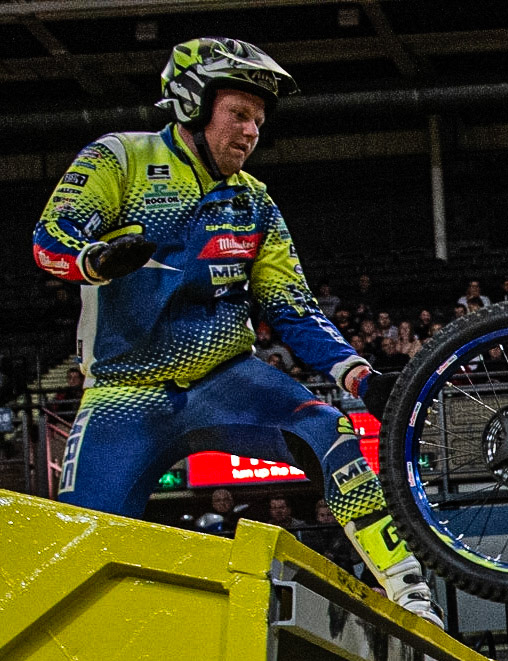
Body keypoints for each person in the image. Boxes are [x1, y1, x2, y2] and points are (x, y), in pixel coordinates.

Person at [34, 37, 440, 626]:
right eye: (239, 114)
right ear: (194, 105)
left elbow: (292, 305)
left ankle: (409, 595)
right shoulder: (120, 158)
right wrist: (93, 260)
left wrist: (359, 376)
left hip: (227, 379)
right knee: (77, 548)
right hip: (122, 395)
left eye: (259, 120)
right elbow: (50, 237)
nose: (251, 132)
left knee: (333, 432)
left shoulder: (257, 203)